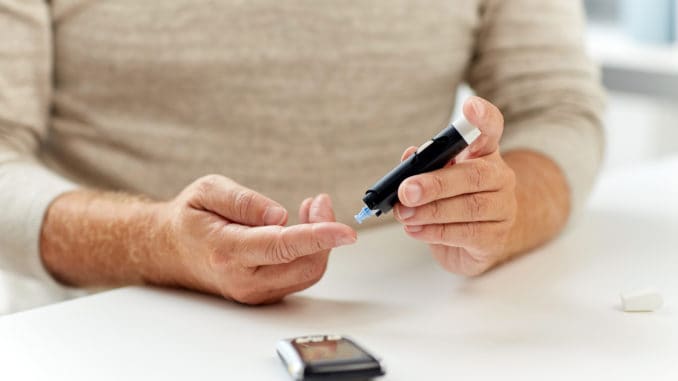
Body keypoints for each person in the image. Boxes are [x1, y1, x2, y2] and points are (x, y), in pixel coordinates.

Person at [0, 1, 604, 308]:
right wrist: (154, 243)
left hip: (406, 320)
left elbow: (558, 109)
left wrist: (503, 213)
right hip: (91, 321)